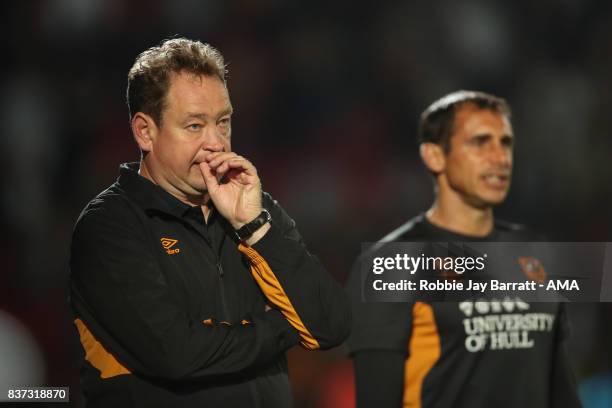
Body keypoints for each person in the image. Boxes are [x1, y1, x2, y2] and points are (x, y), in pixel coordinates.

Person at [69, 37, 350, 408]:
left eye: (223, 122)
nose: (216, 142)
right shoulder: (109, 226)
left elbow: (332, 323)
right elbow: (176, 354)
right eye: (194, 126)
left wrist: (254, 228)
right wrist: (288, 326)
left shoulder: (254, 209)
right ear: (144, 131)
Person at [346, 90, 581, 407]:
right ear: (434, 156)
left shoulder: (538, 250)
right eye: (480, 142)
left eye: (506, 142)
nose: (500, 157)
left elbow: (561, 389)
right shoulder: (391, 262)